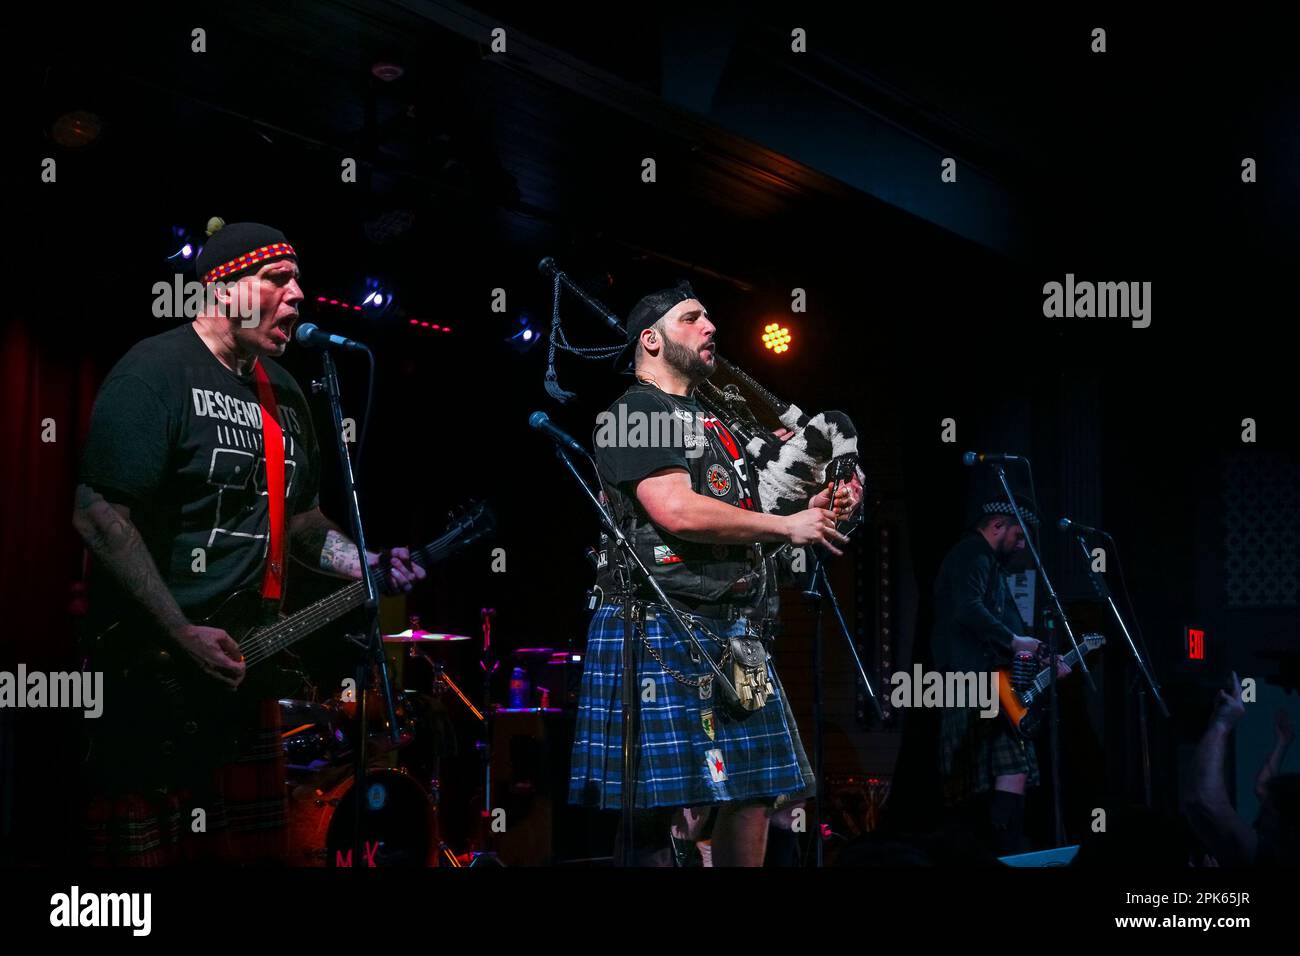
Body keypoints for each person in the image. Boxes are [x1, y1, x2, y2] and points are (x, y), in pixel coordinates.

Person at [74, 219, 424, 864]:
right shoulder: (156, 369)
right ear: (220, 287)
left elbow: (302, 523)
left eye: (298, 281)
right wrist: (178, 630)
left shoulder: (283, 390)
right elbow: (99, 514)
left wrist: (366, 562)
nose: (297, 296)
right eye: (276, 279)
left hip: (246, 663)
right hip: (154, 670)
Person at [567, 281, 858, 866]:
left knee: (753, 791)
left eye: (709, 319)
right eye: (692, 318)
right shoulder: (634, 412)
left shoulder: (716, 418)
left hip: (731, 628)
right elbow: (673, 510)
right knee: (656, 806)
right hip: (656, 625)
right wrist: (785, 528)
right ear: (650, 340)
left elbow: (751, 510)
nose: (711, 328)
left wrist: (816, 503)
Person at [930, 495, 1068, 855]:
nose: (1021, 546)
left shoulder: (987, 564)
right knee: (993, 774)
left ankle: (998, 850)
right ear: (996, 526)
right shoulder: (971, 555)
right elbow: (968, 608)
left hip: (982, 682)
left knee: (999, 774)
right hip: (968, 681)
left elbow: (1005, 623)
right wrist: (1015, 639)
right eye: (1018, 537)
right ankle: (999, 853)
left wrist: (1041, 656)